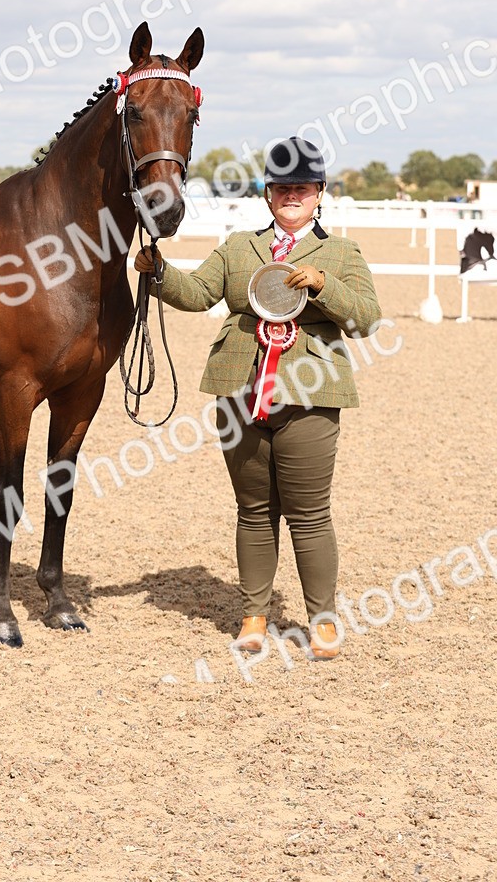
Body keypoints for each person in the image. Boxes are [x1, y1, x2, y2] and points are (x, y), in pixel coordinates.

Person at [134, 137, 381, 660]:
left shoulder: (341, 252)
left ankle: (323, 620)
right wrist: (159, 272)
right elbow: (199, 293)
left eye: (302, 187)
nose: (292, 195)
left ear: (320, 194)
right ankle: (253, 616)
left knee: (309, 514)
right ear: (267, 194)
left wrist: (324, 285)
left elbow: (366, 320)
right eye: (282, 187)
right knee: (252, 509)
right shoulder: (238, 246)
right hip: (239, 392)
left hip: (311, 395)